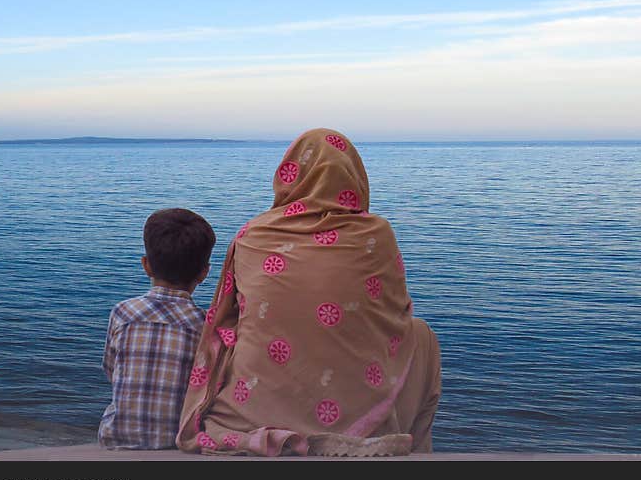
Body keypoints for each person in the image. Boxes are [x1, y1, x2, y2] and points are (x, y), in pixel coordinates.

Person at [177, 129, 441, 456]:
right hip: (356, 385)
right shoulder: (376, 234)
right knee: (421, 335)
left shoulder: (253, 234)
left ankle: (274, 412)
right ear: (354, 176)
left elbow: (226, 317)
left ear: (290, 175)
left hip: (254, 405)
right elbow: (396, 314)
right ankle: (398, 437)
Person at [98, 208, 216, 449]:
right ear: (204, 273)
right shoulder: (204, 324)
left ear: (146, 265)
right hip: (176, 438)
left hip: (116, 436)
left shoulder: (123, 313)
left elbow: (111, 370)